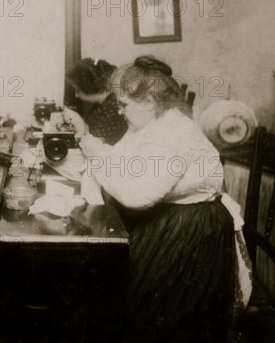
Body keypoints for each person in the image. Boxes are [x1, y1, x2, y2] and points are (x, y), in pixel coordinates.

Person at [79, 56, 236, 342]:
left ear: (150, 101)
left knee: (148, 322)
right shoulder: (148, 124)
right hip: (167, 222)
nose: (119, 110)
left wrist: (98, 158)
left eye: (124, 103)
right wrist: (100, 151)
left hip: (190, 232)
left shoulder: (174, 131)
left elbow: (138, 194)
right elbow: (128, 163)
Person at [62, 57, 128, 145]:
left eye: (77, 89)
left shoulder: (111, 110)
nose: (76, 95)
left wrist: (79, 125)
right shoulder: (108, 103)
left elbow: (94, 147)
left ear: (89, 86)